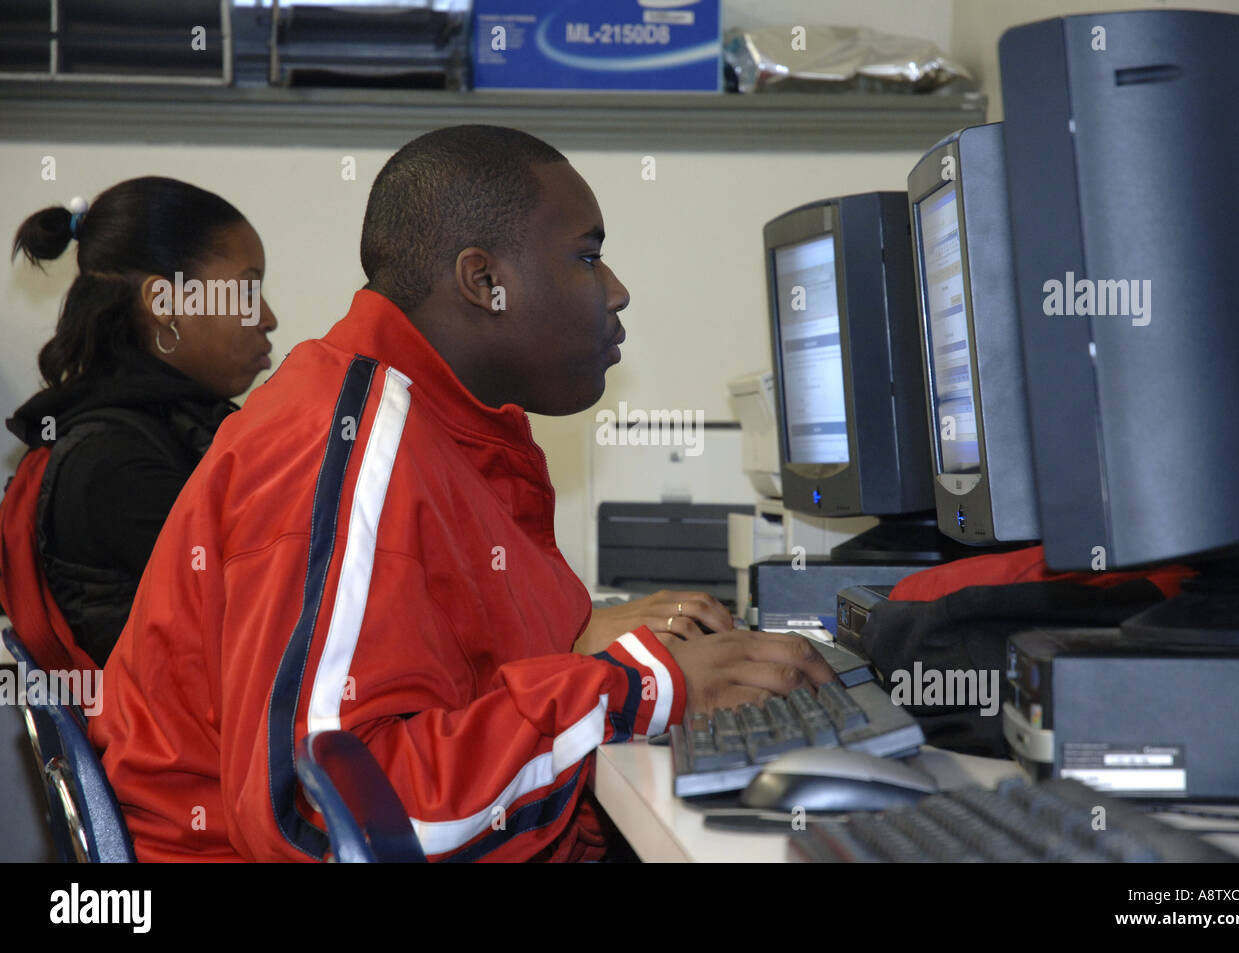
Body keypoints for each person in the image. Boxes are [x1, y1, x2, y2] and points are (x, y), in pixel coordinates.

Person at [90, 125, 833, 862]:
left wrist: (574, 650)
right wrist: (638, 691)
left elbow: (436, 669)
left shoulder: (443, 428)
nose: (616, 289)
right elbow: (326, 819)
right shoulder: (346, 442)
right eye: (588, 255)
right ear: (485, 282)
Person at [0, 177, 277, 672]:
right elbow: (273, 621)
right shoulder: (115, 462)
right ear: (164, 303)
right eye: (248, 289)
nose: (269, 317)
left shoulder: (165, 429)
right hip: (195, 746)